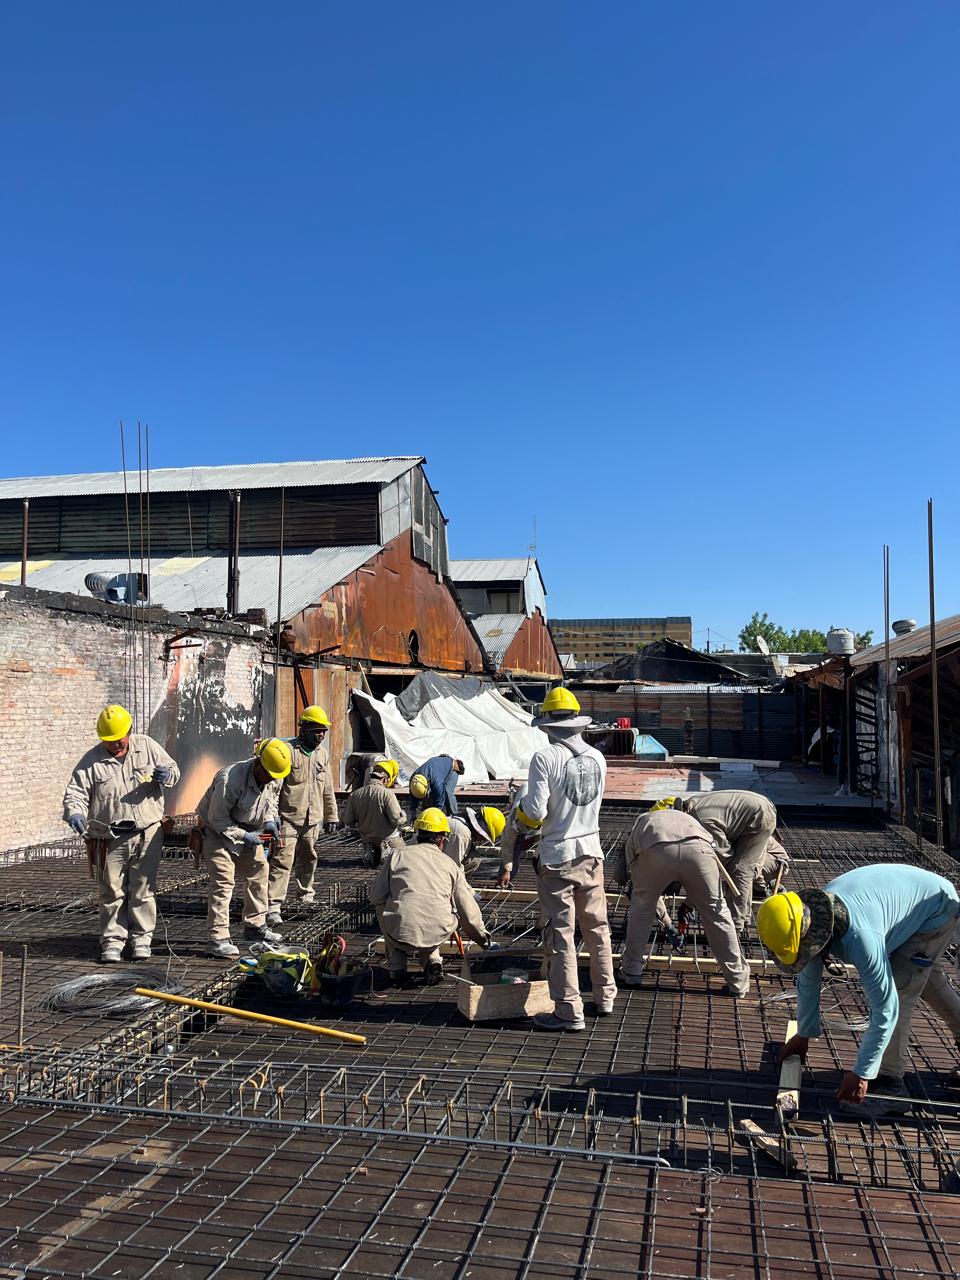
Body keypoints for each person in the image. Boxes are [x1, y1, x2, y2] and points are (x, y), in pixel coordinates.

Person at [757, 866, 960, 1117]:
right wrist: (804, 1033)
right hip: (909, 900)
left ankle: (890, 1085)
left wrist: (863, 1072)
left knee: (900, 986)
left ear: (813, 934)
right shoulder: (810, 918)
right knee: (925, 980)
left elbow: (887, 1008)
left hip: (935, 909)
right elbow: (808, 980)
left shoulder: (861, 939)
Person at [509, 687, 617, 1032]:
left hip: (557, 858)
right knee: (598, 928)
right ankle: (605, 996)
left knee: (562, 935)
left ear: (549, 725)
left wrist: (519, 820)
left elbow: (536, 812)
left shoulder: (546, 758)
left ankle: (569, 1011)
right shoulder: (599, 758)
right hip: (592, 853)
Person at [63, 704, 180, 963]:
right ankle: (113, 942)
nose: (115, 744)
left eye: (119, 738)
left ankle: (142, 940)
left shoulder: (146, 746)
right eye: (109, 740)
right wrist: (75, 813)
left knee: (142, 889)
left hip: (147, 832)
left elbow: (173, 770)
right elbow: (75, 793)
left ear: (129, 731)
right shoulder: (91, 761)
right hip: (109, 837)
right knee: (111, 892)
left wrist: (167, 774)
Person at [619, 808, 750, 997]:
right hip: (700, 849)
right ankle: (738, 981)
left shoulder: (640, 824)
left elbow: (630, 875)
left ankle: (631, 972)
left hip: (655, 849)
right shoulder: (687, 818)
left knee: (641, 908)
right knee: (717, 912)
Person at [369, 807, 491, 986]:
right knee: (439, 912)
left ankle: (396, 966)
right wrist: (483, 939)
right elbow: (468, 911)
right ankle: (433, 960)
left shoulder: (397, 855)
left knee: (382, 905)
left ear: (418, 833)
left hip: (399, 932)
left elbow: (375, 896)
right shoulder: (450, 865)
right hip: (438, 931)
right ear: (442, 839)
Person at [197, 738, 291, 959]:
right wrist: (245, 836)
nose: (271, 779)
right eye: (268, 774)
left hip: (250, 829)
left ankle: (255, 926)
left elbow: (271, 801)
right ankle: (217, 938)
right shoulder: (230, 779)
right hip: (217, 833)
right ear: (258, 763)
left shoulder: (274, 775)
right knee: (224, 881)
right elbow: (217, 818)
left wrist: (269, 820)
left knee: (259, 871)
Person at [658, 792, 778, 932]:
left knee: (739, 869)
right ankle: (745, 915)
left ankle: (735, 926)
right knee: (739, 867)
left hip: (758, 817)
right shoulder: (691, 807)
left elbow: (724, 856)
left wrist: (692, 899)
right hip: (753, 811)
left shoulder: (701, 821)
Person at [266, 705, 339, 925]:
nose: (321, 734)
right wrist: (271, 816)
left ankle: (305, 895)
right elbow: (274, 788)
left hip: (312, 819)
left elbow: (327, 787)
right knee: (282, 861)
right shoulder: (288, 752)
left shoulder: (322, 754)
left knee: (309, 858)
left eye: (323, 730)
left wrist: (332, 816)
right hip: (288, 818)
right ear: (304, 728)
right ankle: (273, 906)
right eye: (316, 730)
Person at [341, 759, 405, 867]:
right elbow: (396, 820)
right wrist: (403, 815)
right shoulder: (387, 794)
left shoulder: (355, 795)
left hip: (367, 840)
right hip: (389, 841)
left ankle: (372, 853)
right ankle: (387, 854)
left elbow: (347, 820)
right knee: (405, 859)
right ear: (385, 779)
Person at [444, 806, 506, 873]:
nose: (483, 840)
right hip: (436, 866)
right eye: (484, 837)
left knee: (474, 858)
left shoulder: (464, 828)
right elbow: (452, 867)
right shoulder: (462, 832)